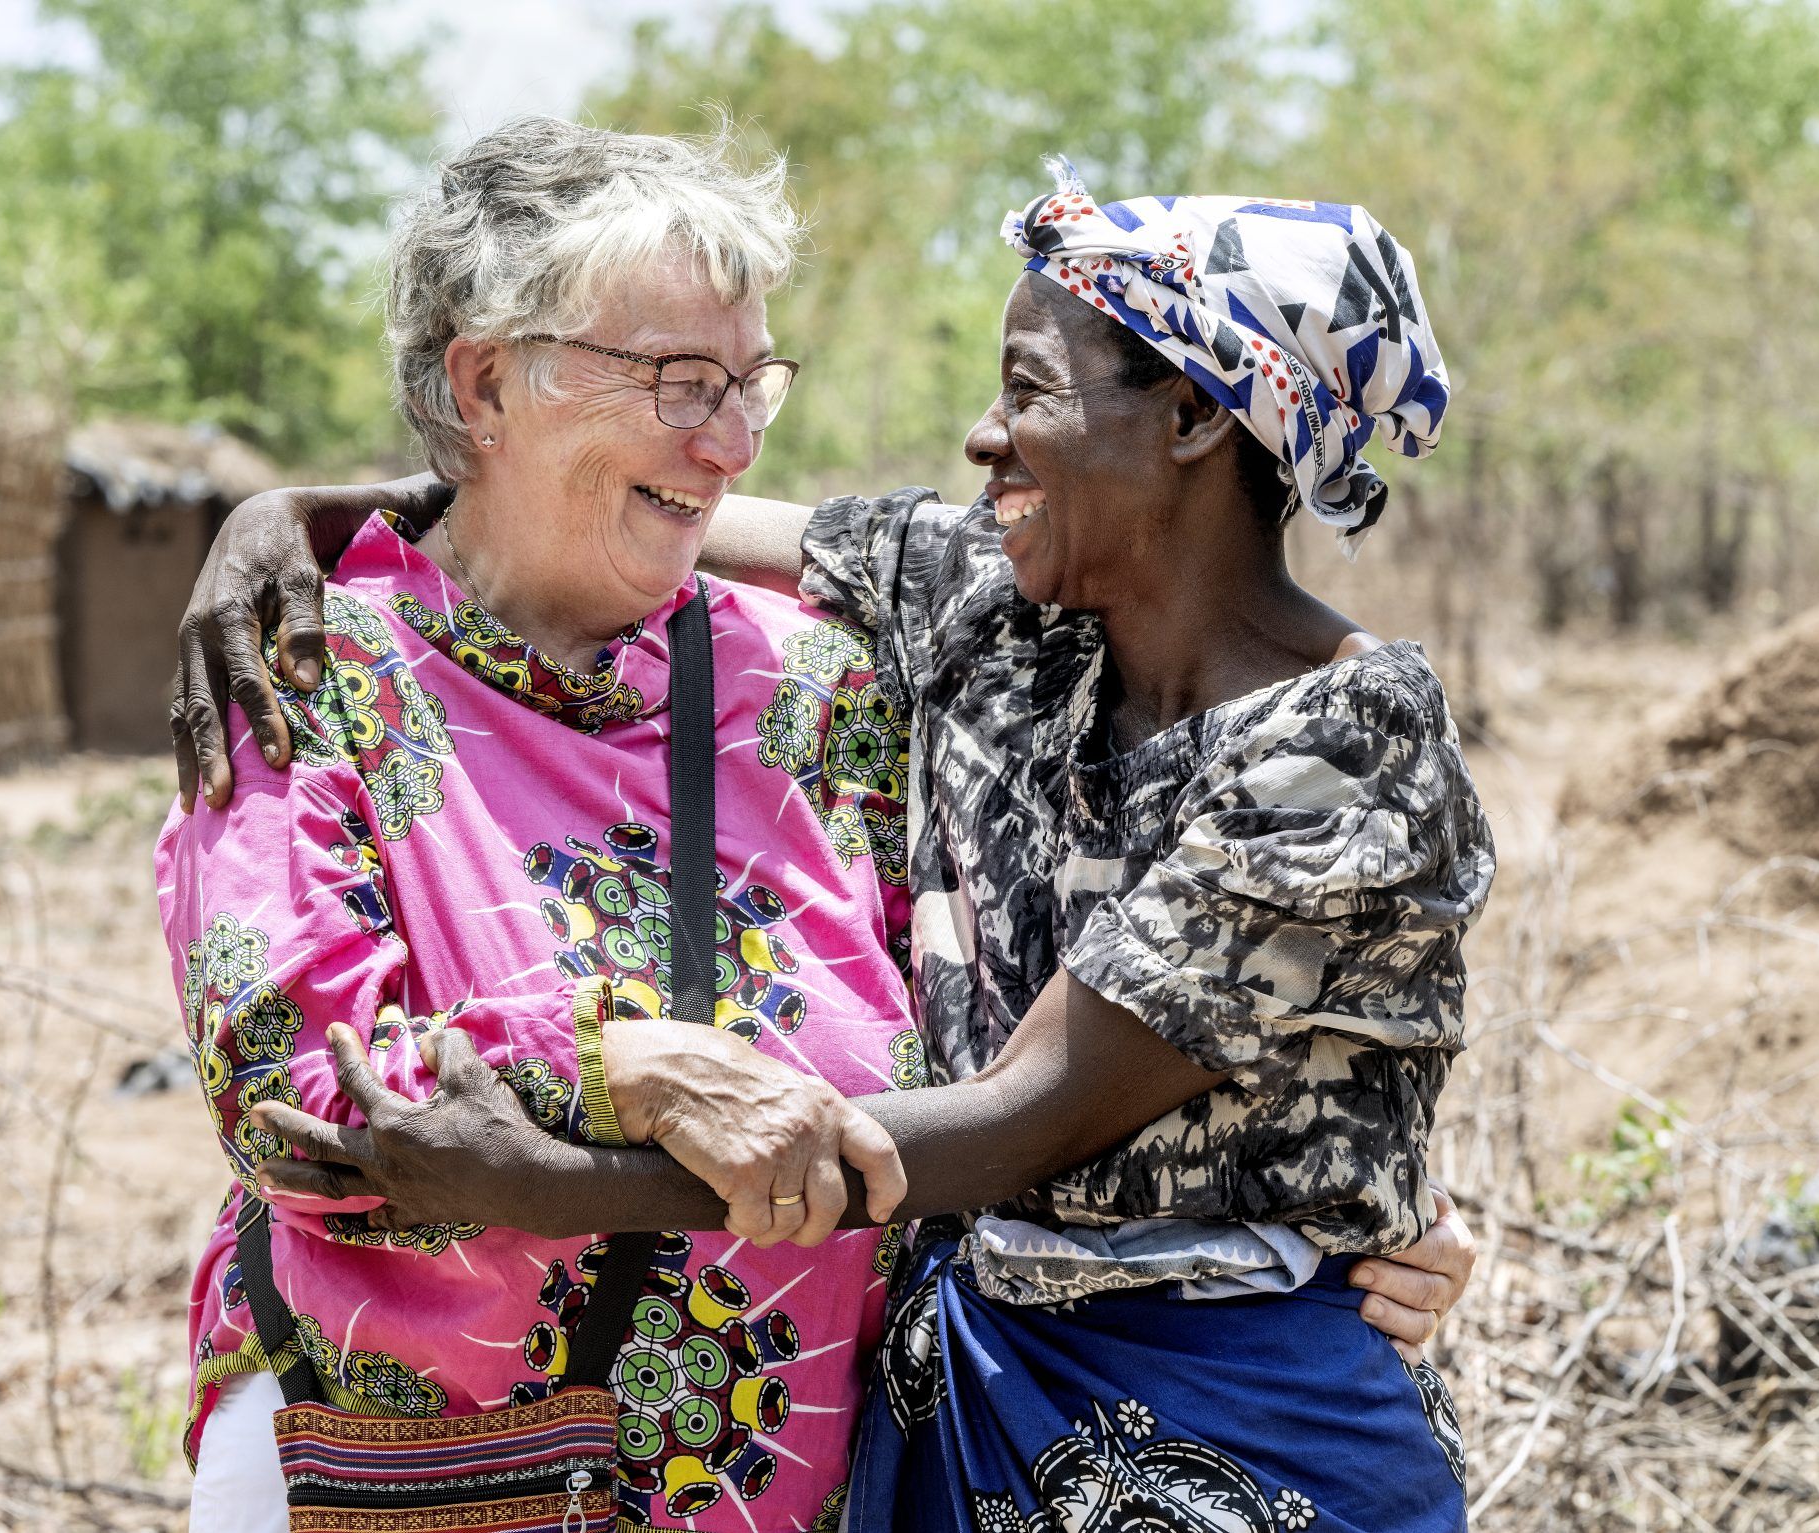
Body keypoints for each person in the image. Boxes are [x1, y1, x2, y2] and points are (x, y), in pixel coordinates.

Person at [181, 139, 1489, 1532]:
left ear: (1192, 422)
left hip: (992, 1450)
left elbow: (1031, 1103)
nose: (734, 437)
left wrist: (1333, 1186)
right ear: (488, 379)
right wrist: (301, 512)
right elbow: (293, 1090)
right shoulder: (305, 674)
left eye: (749, 384)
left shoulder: (831, 689)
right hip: (427, 1471)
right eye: (684, 382)